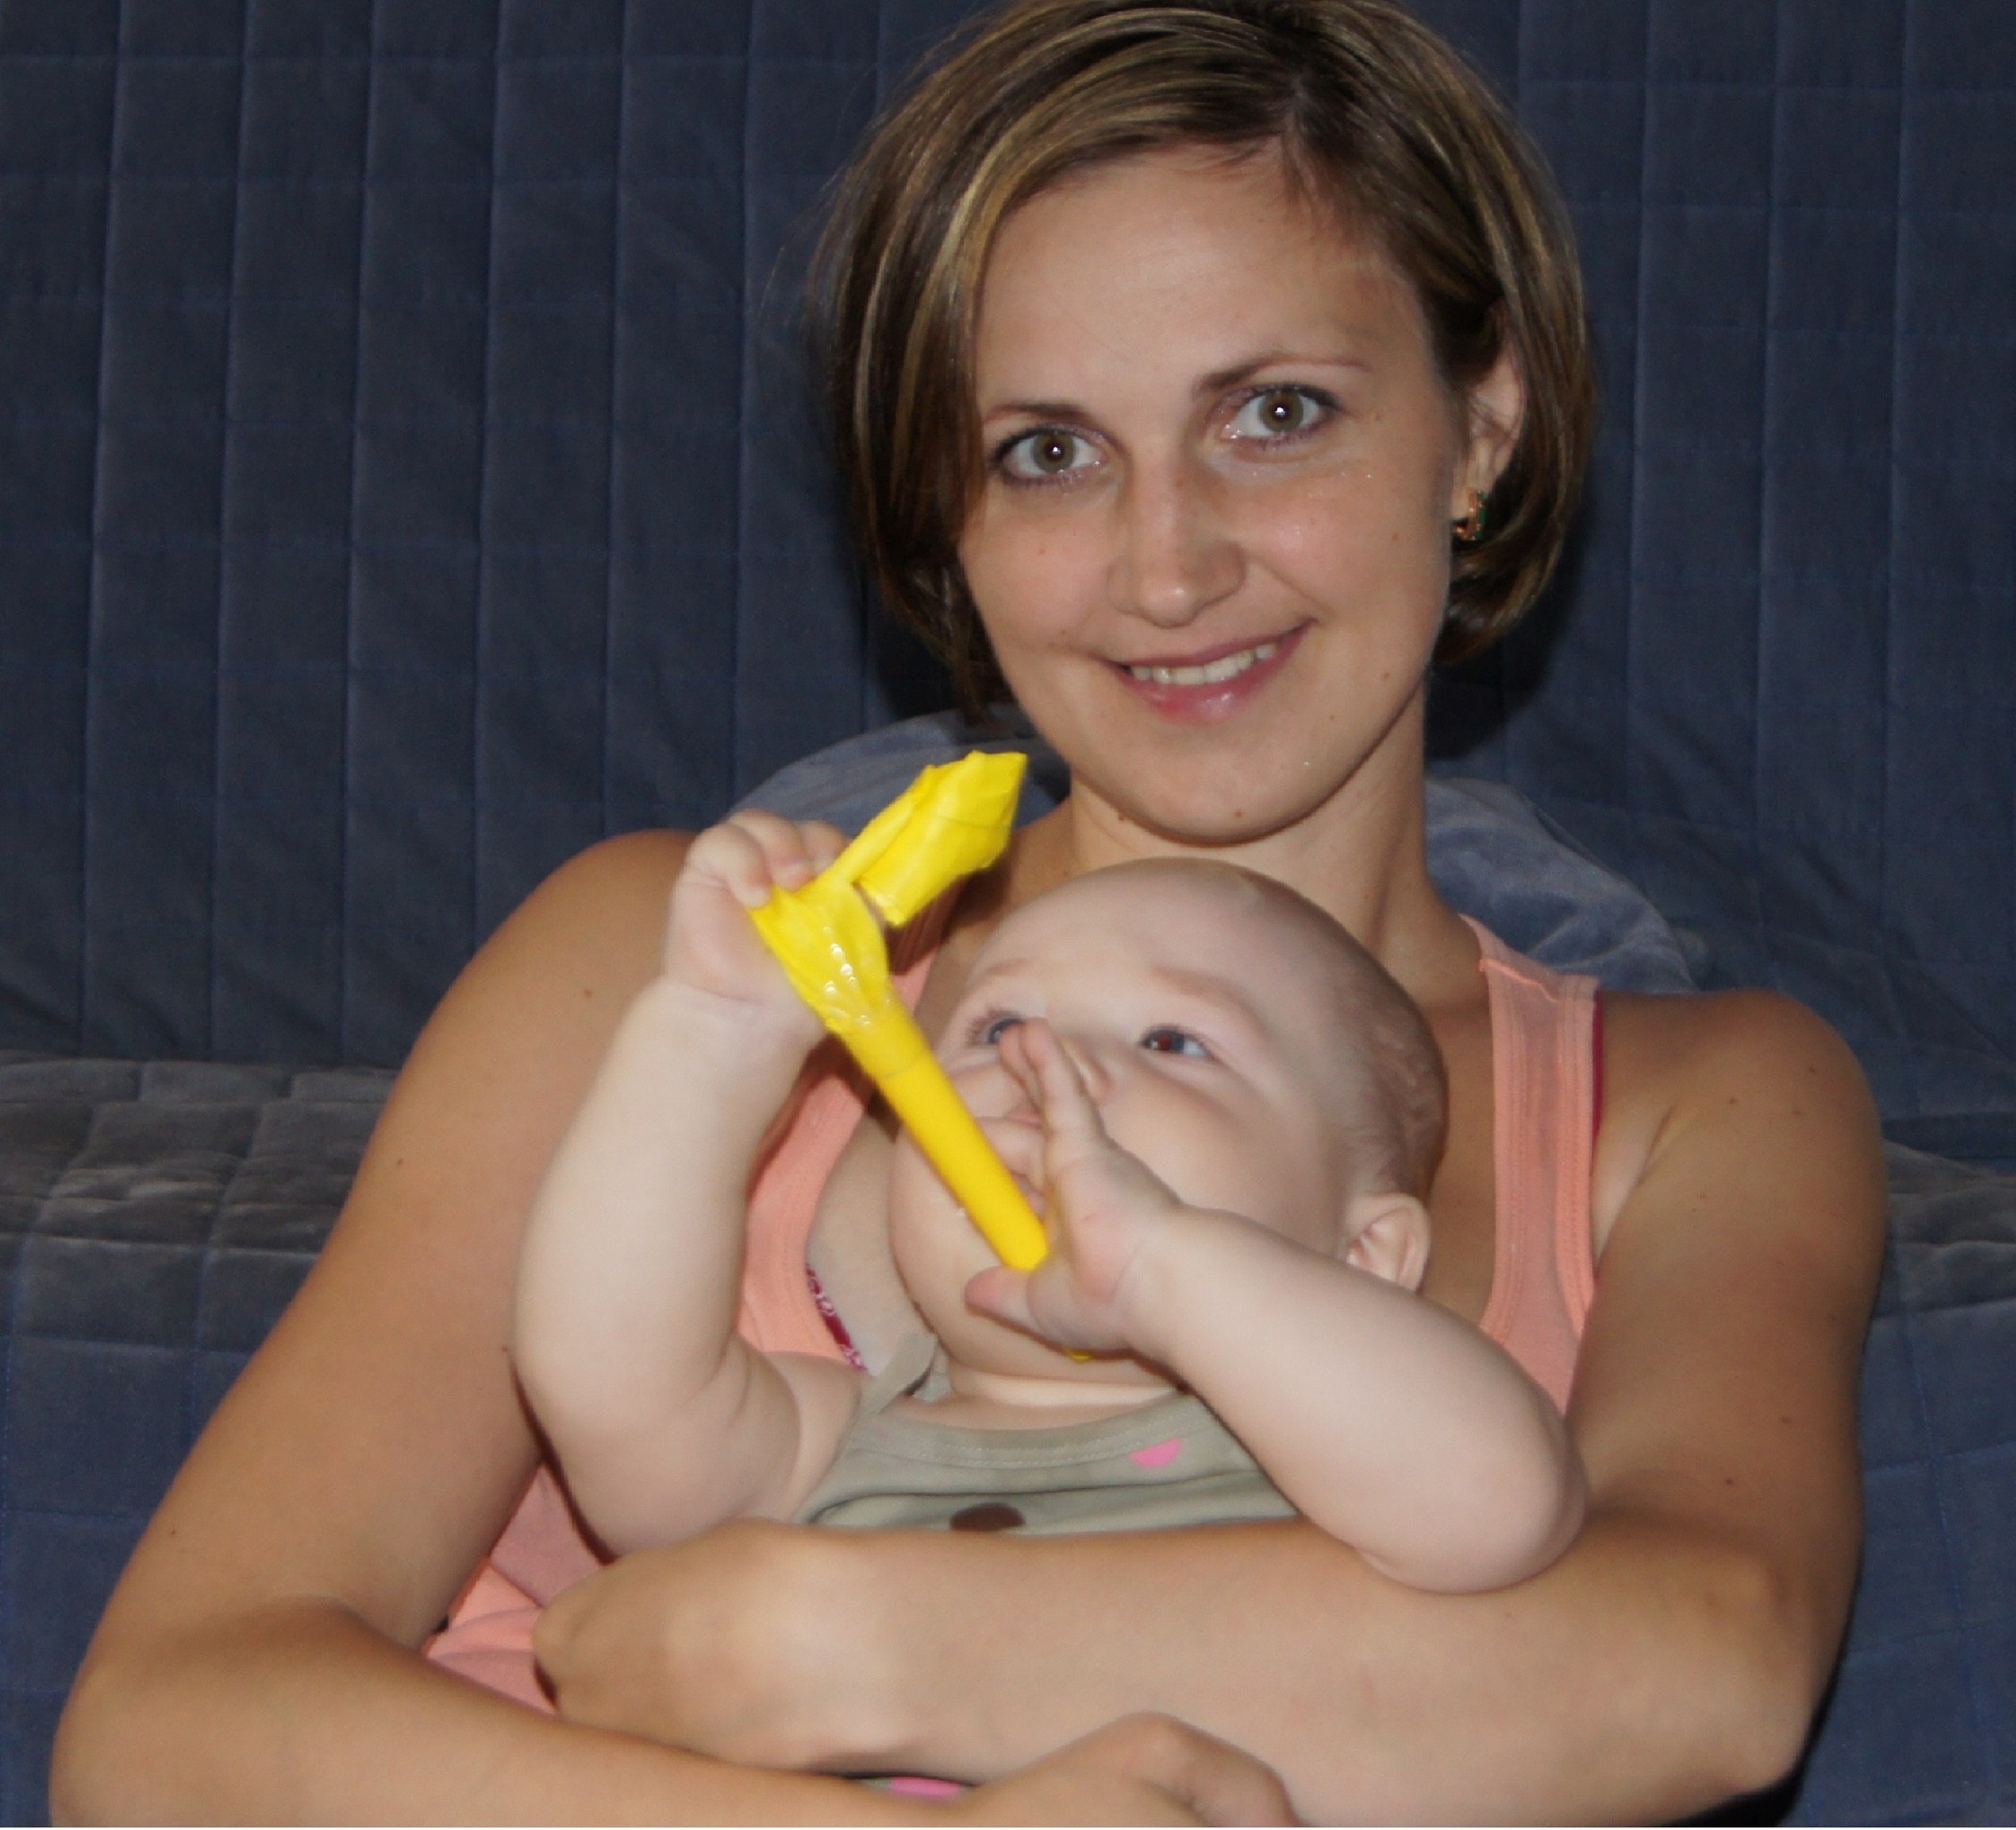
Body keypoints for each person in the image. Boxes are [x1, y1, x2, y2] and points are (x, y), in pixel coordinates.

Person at [52, 0, 1885, 1821]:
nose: (1169, 567)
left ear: (1482, 432)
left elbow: (1703, 1667)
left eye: (1276, 415)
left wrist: (847, 1639)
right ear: (948, 509)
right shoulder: (656, 963)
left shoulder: (1700, 1103)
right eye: (1048, 452)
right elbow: (168, 1730)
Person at [515, 834, 1585, 1595]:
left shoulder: (1345, 1460)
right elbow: (612, 1386)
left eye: (1172, 1040)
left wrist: (1161, 1268)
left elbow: (1501, 1505)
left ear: (1366, 1251)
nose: (1044, 1061)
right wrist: (712, 1035)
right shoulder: (840, 1439)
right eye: (996, 1026)